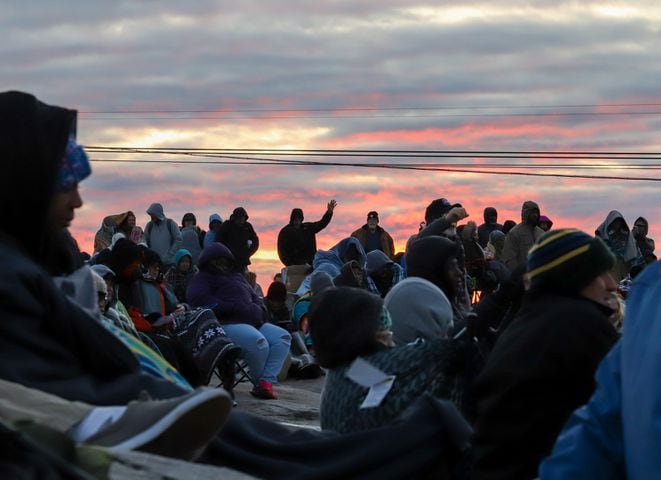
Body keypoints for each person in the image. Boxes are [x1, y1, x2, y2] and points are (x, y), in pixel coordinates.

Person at [471, 229, 620, 480]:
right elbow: (628, 406)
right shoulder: (580, 323)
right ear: (573, 277)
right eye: (600, 273)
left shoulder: (525, 324)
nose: (612, 284)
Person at [539, 260, 661, 479]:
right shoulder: (651, 294)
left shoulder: (650, 292)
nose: (612, 284)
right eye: (599, 273)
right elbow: (602, 424)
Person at [311, 287, 473, 433]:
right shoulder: (357, 370)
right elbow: (428, 356)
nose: (391, 340)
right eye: (383, 333)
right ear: (358, 333)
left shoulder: (346, 370)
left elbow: (394, 383)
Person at [186, 243, 291, 400]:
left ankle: (266, 382)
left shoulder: (237, 277)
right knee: (258, 342)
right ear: (208, 261)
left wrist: (259, 309)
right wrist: (232, 307)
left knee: (282, 337)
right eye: (217, 260)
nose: (221, 264)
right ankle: (259, 382)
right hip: (226, 324)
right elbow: (199, 300)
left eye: (223, 260)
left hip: (253, 321)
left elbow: (256, 298)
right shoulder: (202, 278)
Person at [277, 200, 337, 266]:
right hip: (294, 265)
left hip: (311, 264)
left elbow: (321, 224)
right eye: (295, 219)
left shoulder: (308, 228)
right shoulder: (285, 232)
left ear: (302, 219)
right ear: (292, 219)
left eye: (299, 219)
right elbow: (281, 251)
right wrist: (290, 264)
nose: (297, 221)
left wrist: (329, 213)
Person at [595, 210, 640, 282]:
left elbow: (633, 251)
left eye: (619, 222)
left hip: (624, 267)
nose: (617, 224)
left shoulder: (627, 236)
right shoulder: (602, 235)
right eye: (615, 221)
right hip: (609, 267)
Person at [500, 200, 544, 270]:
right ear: (526, 213)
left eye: (537, 213)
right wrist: (518, 275)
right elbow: (509, 258)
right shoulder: (514, 233)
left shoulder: (541, 233)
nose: (535, 215)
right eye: (532, 212)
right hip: (522, 276)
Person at [144, 202, 182, 267]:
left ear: (157, 213)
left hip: (169, 263)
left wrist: (169, 255)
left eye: (152, 214)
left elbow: (178, 240)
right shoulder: (149, 226)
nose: (151, 216)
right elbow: (144, 241)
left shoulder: (170, 223)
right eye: (150, 215)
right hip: (153, 264)